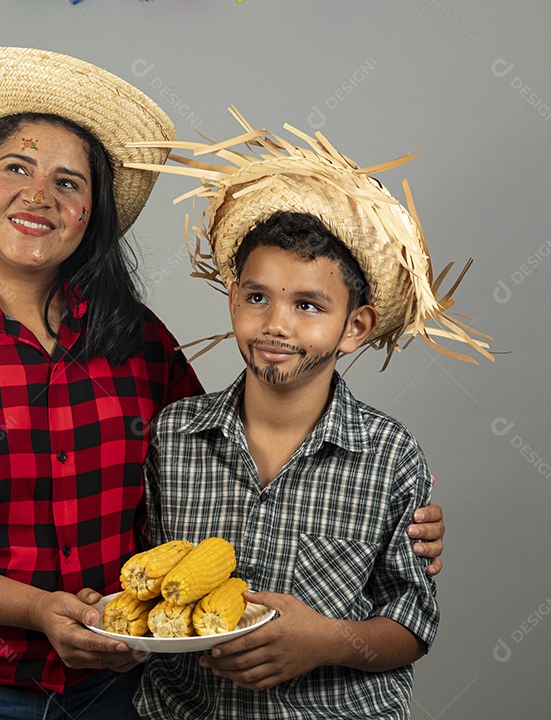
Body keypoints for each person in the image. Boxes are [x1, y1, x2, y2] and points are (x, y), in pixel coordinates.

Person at [0, 49, 447, 719]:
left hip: (113, 687)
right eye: (15, 168)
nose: (39, 196)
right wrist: (36, 610)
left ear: (94, 213)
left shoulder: (139, 344)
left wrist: (395, 510)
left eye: (69, 183)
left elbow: (223, 458)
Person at [130, 118, 491, 719]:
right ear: (233, 300)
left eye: (307, 305)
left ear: (355, 327)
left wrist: (321, 640)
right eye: (257, 297)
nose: (276, 323)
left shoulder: (388, 454)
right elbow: (141, 581)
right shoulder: (174, 436)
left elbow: (412, 621)